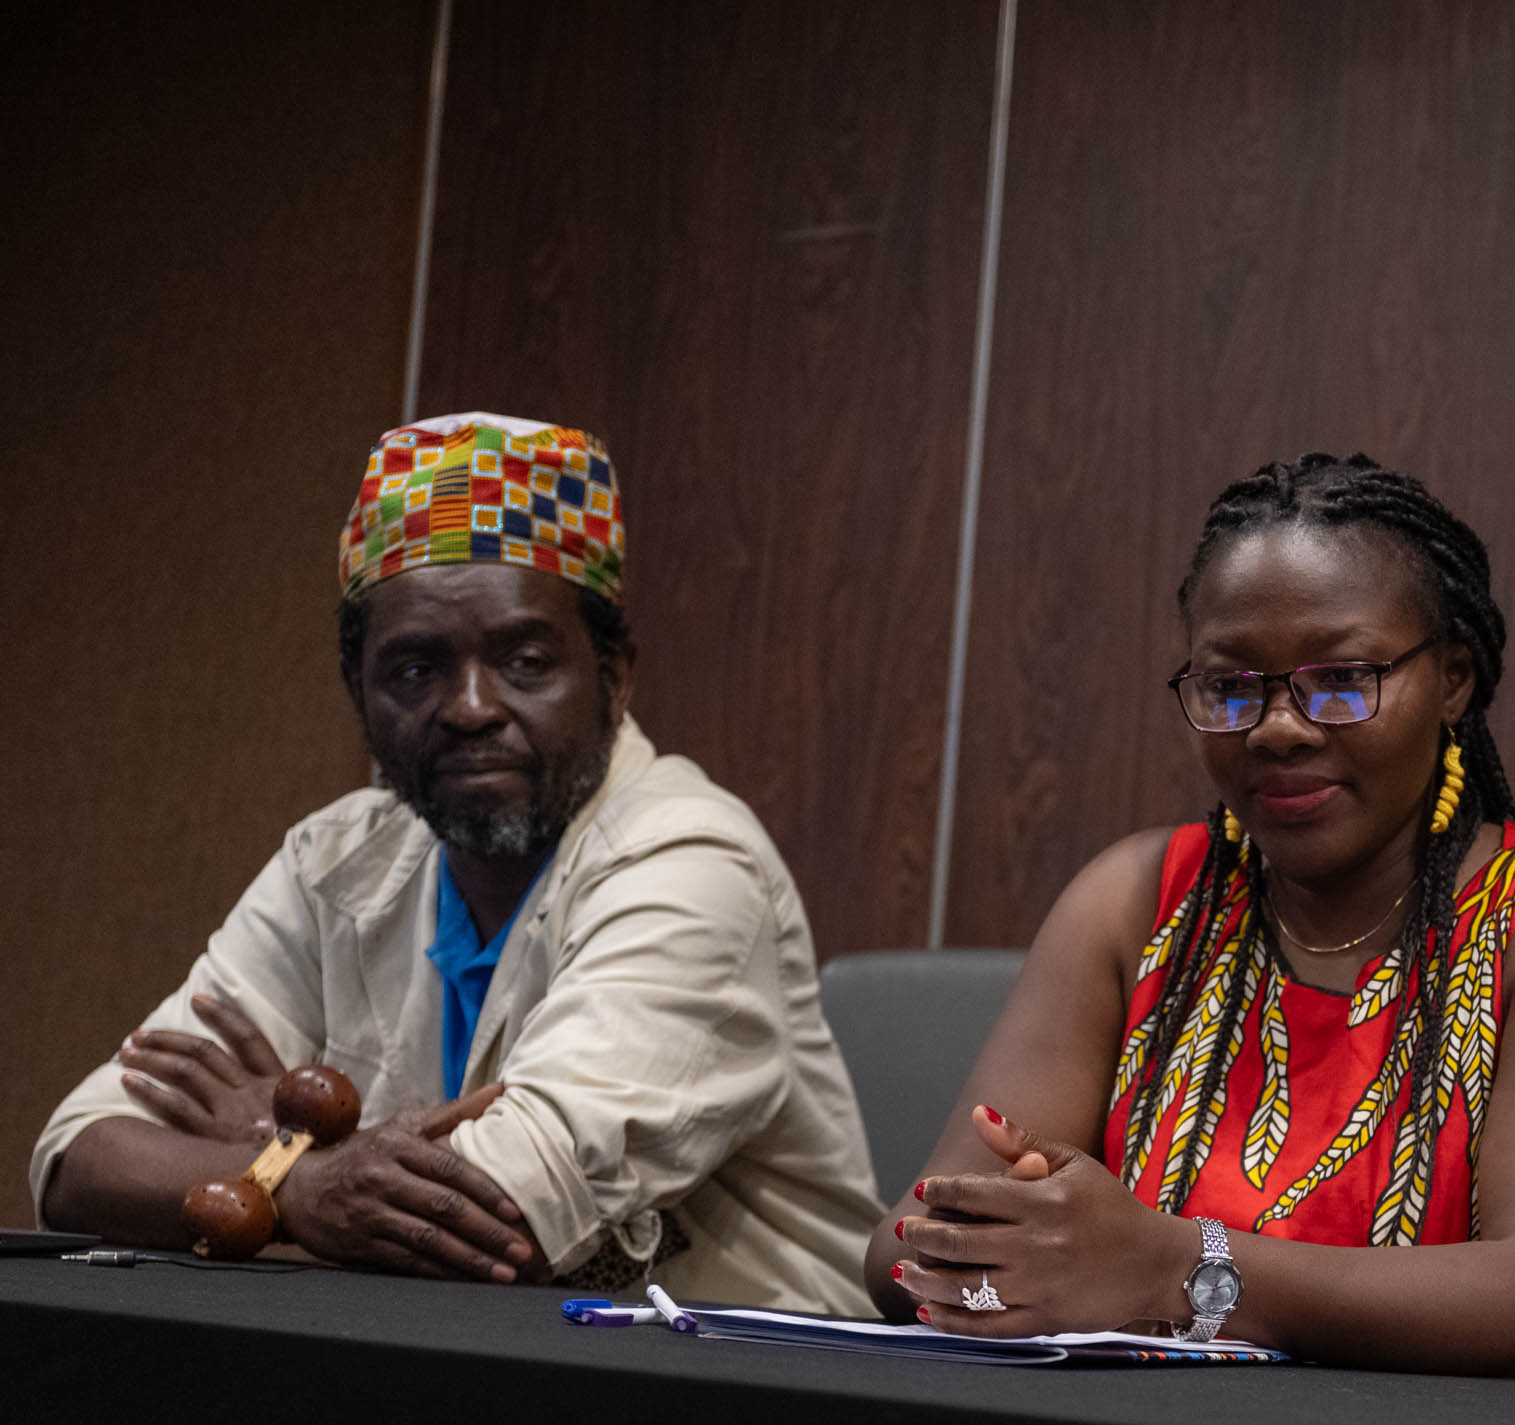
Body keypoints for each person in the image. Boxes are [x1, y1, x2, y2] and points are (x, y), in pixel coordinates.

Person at [34, 412, 885, 1312]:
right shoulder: (338, 857)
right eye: (413, 670)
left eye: (524, 660)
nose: (470, 707)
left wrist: (269, 1153)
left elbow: (500, 1218)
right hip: (460, 1382)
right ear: (356, 692)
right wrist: (309, 1182)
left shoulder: (693, 863)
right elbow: (78, 1157)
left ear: (616, 675)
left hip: (740, 1411)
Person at [875, 453, 1515, 1379]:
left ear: (1454, 680)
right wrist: (1013, 1264)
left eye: (1342, 680)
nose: (1279, 727)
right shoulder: (1136, 902)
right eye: (1230, 687)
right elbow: (904, 1255)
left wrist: (1176, 1268)